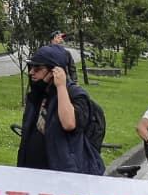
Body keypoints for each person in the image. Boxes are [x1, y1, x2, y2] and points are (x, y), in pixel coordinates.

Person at [16, 44, 104, 175]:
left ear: (55, 71)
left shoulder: (75, 94)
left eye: (37, 68)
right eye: (31, 67)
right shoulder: (37, 93)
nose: (31, 72)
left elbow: (69, 124)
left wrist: (61, 87)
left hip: (60, 172)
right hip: (31, 171)